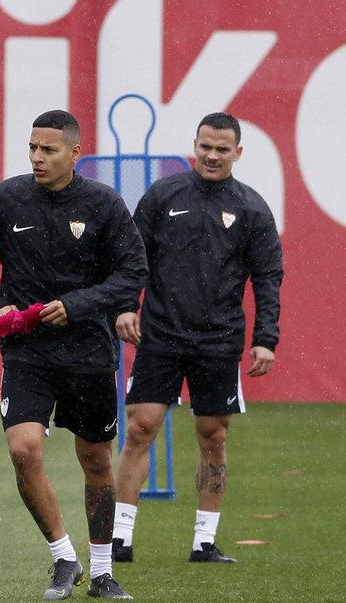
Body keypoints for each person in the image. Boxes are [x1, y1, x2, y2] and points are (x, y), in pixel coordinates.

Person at [0, 110, 148, 600]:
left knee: (96, 461)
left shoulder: (103, 204)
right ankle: (64, 559)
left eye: (49, 150)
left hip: (89, 353)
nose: (37, 158)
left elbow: (132, 271)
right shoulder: (9, 197)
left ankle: (102, 571)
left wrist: (78, 306)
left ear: (75, 153)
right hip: (26, 352)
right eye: (33, 148)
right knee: (23, 451)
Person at [112, 112, 283, 564]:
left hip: (218, 340)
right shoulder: (163, 194)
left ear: (237, 153)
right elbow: (132, 256)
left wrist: (266, 338)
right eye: (205, 146)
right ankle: (120, 538)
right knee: (139, 427)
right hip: (161, 332)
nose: (212, 155)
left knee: (214, 437)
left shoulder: (251, 208)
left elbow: (268, 278)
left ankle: (204, 543)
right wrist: (127, 305)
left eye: (222, 149)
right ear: (195, 145)